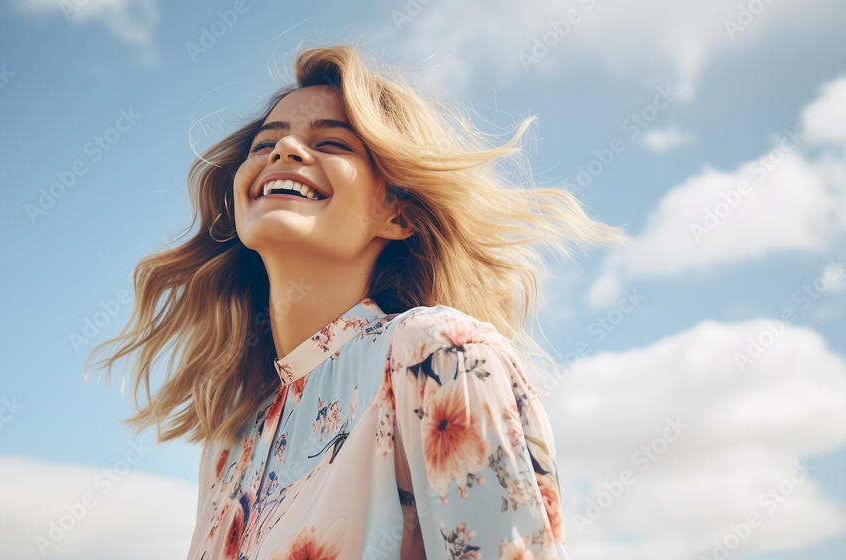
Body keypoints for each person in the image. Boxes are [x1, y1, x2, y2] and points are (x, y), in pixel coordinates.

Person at [85, 43, 621, 560]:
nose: (285, 151)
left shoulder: (437, 355)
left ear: (398, 214)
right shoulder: (229, 444)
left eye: (333, 144)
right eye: (264, 144)